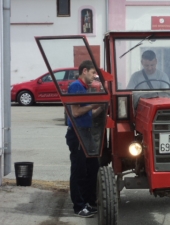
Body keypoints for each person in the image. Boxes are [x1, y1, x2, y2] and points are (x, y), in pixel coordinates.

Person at [65, 60, 103, 218]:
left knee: (92, 168)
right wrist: (94, 105)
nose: (95, 76)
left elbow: (88, 114)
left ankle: (88, 201)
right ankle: (79, 206)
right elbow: (75, 112)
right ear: (85, 71)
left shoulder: (85, 88)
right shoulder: (76, 86)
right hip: (77, 133)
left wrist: (102, 107)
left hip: (85, 132)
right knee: (79, 170)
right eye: (93, 73)